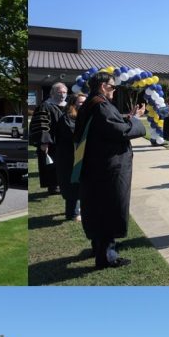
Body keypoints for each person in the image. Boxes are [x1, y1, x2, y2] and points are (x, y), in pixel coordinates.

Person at [72, 70, 147, 269]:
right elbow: (120, 131)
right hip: (107, 168)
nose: (114, 91)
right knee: (109, 209)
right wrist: (136, 122)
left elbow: (109, 124)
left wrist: (128, 116)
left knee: (97, 208)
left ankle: (99, 247)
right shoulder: (100, 106)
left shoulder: (90, 104)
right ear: (104, 86)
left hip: (95, 166)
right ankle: (107, 256)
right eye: (113, 87)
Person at [52, 92, 86, 221]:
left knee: (79, 184)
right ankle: (72, 213)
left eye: (85, 102)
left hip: (78, 157)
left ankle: (77, 210)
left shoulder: (80, 117)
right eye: (81, 102)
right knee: (72, 185)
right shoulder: (66, 118)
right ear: (73, 104)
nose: (83, 105)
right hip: (68, 158)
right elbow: (75, 136)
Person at [29, 82, 67, 195]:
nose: (62, 95)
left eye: (64, 92)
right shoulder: (45, 106)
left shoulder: (69, 106)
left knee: (63, 164)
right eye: (59, 92)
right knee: (51, 164)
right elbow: (41, 125)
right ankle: (53, 186)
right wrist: (44, 142)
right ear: (52, 93)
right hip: (50, 142)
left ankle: (62, 184)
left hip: (65, 142)